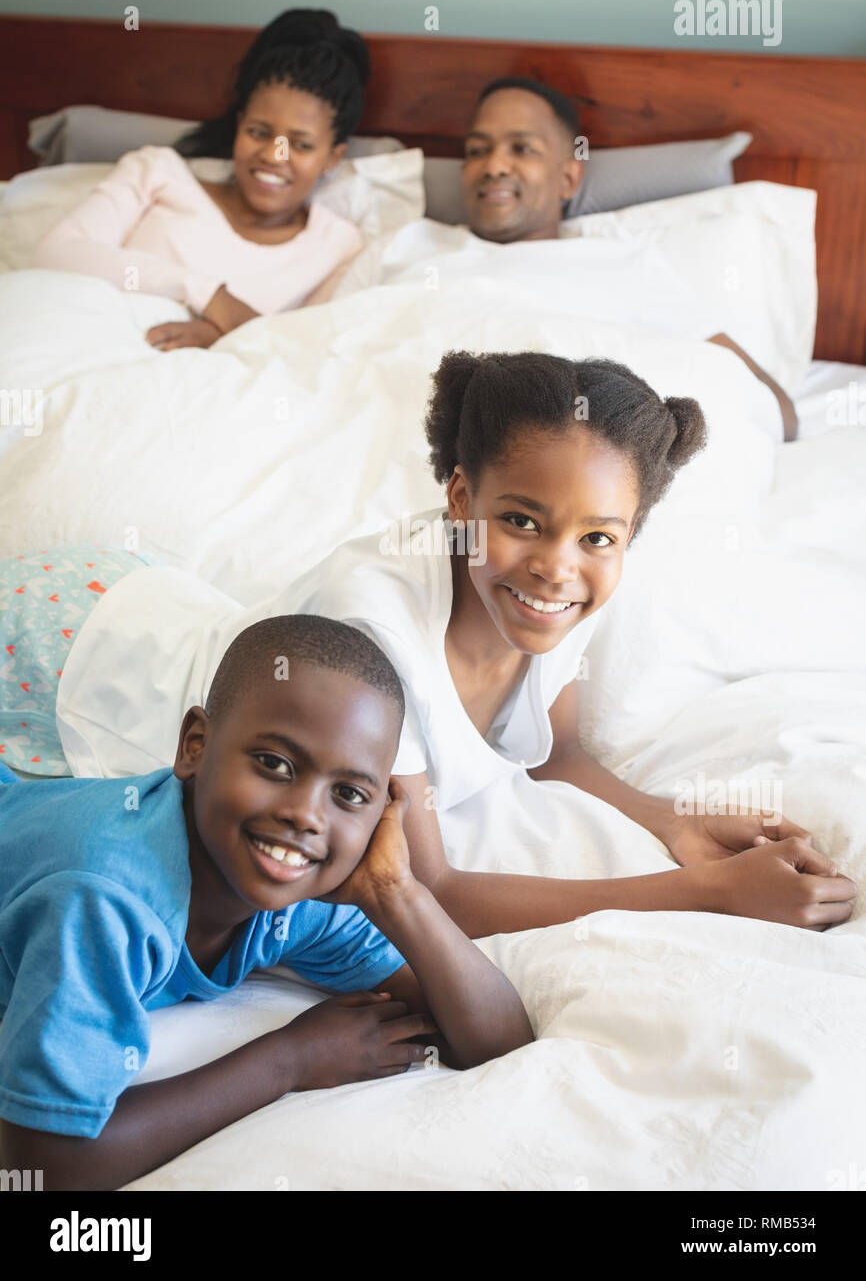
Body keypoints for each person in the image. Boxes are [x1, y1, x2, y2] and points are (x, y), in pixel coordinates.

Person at [38, 355, 855, 937]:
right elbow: (431, 892)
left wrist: (674, 823)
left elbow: (554, 751)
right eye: (521, 521)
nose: (556, 565)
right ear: (461, 497)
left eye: (599, 536)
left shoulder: (572, 588)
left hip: (152, 609)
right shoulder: (375, 632)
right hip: (77, 656)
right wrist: (706, 894)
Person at [0, 613, 532, 1192]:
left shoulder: (298, 893)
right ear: (195, 745)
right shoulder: (105, 900)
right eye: (275, 764)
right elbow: (43, 1168)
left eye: (349, 794)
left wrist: (396, 892)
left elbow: (496, 1041)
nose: (307, 814)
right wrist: (289, 1060)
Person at [326, 76, 797, 440]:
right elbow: (308, 352)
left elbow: (771, 405)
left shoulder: (624, 266)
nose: (494, 165)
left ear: (569, 178)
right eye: (477, 150)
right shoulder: (402, 247)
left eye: (522, 148)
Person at [32, 9, 367, 349]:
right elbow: (54, 254)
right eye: (259, 132)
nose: (273, 155)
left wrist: (220, 337)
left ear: (332, 157)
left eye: (301, 144)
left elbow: (309, 351)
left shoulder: (338, 245)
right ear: (240, 125)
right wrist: (207, 296)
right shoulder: (157, 173)